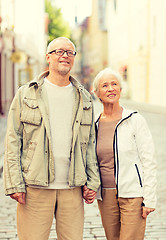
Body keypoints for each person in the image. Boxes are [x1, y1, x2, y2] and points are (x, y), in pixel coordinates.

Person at [3, 37, 100, 240]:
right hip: (35, 188)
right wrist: (14, 184)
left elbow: (89, 142)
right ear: (48, 57)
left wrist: (93, 180)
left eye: (70, 52)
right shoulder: (26, 94)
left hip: (72, 188)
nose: (64, 55)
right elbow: (13, 140)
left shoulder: (84, 98)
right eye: (59, 51)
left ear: (74, 58)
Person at [93, 67, 157, 240]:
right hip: (106, 195)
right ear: (96, 92)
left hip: (133, 194)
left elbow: (148, 160)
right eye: (105, 85)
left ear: (121, 90)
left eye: (114, 84)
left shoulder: (135, 120)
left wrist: (149, 198)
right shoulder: (94, 125)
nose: (111, 88)